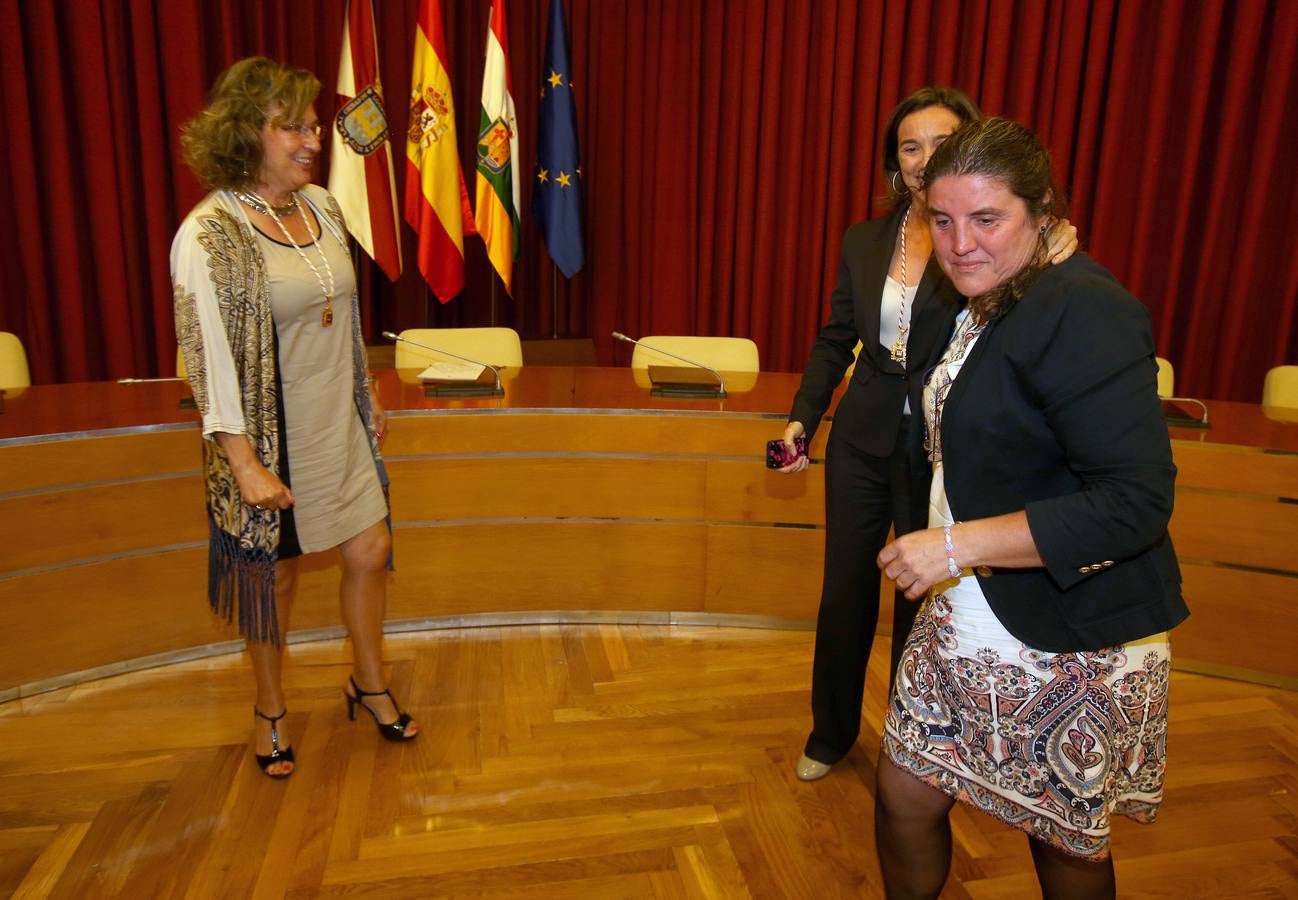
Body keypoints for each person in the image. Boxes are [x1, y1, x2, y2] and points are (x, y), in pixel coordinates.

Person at [873, 117, 1189, 898]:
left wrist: (952, 548)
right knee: (905, 793)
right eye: (942, 221)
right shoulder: (992, 295)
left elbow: (1134, 503)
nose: (959, 242)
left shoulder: (1087, 308)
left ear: (1041, 212)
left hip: (1068, 629)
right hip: (965, 609)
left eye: (988, 218)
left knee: (1063, 844)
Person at [778, 87, 1077, 782]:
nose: (923, 159)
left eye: (940, 143)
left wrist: (1057, 239)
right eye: (910, 146)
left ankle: (913, 740)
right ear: (894, 162)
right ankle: (830, 732)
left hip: (946, 448)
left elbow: (1031, 281)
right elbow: (835, 340)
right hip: (861, 437)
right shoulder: (864, 239)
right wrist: (802, 416)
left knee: (923, 595)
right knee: (844, 591)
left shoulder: (979, 237)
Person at [172, 57, 418, 779]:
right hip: (266, 435)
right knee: (272, 580)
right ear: (249, 132)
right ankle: (270, 708)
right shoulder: (209, 235)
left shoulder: (322, 207)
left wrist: (365, 383)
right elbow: (206, 356)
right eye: (295, 128)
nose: (314, 139)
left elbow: (339, 312)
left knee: (369, 550)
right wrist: (242, 463)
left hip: (334, 417)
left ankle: (367, 682)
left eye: (312, 125)